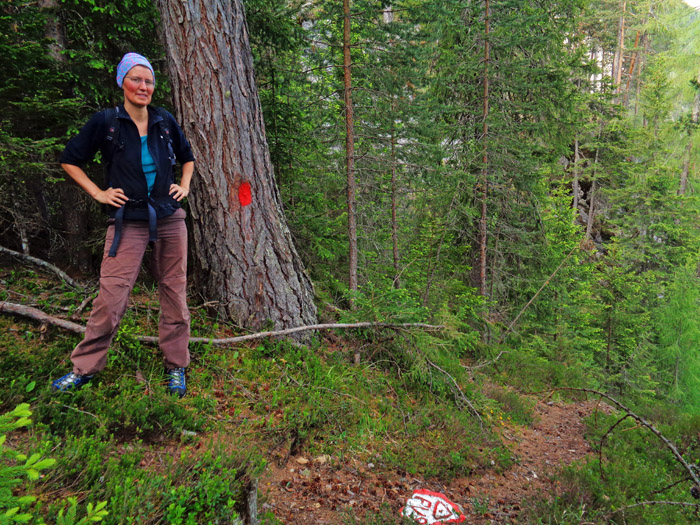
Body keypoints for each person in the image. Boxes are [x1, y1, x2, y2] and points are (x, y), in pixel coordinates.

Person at [51, 53, 195, 397]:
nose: (143, 86)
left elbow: (187, 156)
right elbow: (70, 161)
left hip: (169, 219)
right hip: (126, 222)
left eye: (148, 81)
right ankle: (84, 368)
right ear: (122, 83)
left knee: (174, 293)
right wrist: (99, 193)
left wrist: (184, 186)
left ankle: (176, 366)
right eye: (136, 79)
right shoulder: (107, 121)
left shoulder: (164, 120)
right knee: (111, 298)